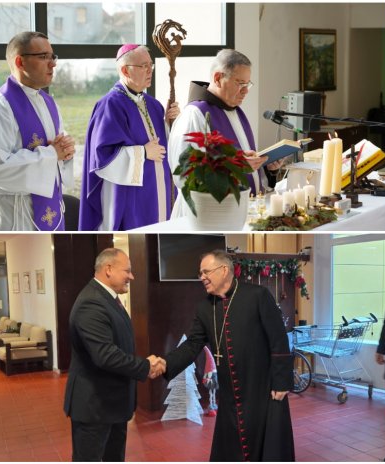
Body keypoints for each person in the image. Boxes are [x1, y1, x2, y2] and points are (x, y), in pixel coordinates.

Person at [160, 250, 295, 461]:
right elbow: (193, 345)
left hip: (263, 388)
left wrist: (281, 381)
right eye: (200, 273)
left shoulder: (257, 295)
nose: (201, 277)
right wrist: (164, 364)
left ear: (224, 270)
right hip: (231, 393)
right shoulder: (205, 307)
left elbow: (278, 339)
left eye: (206, 272)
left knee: (267, 447)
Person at [63, 248, 165, 461]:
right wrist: (145, 367)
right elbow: (105, 355)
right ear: (108, 269)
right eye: (127, 271)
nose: (132, 276)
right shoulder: (91, 303)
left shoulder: (108, 299)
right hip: (95, 407)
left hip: (113, 404)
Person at [168, 49, 282, 219]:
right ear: (217, 78)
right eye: (240, 83)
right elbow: (185, 175)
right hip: (207, 215)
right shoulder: (194, 115)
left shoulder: (236, 112)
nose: (246, 91)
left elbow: (244, 165)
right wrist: (235, 166)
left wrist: (266, 167)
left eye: (248, 84)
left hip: (241, 210)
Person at [0, 31, 75, 231]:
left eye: (52, 56)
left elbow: (57, 152)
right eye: (43, 57)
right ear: (20, 62)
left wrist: (65, 151)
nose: (53, 64)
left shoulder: (48, 102)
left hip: (48, 208)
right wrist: (52, 154)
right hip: (14, 215)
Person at [80, 44, 179, 231]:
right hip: (130, 196)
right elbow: (103, 157)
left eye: (151, 65)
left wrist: (169, 123)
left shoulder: (154, 105)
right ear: (125, 70)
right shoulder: (110, 105)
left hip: (157, 191)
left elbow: (162, 146)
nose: (150, 70)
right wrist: (142, 153)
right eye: (144, 66)